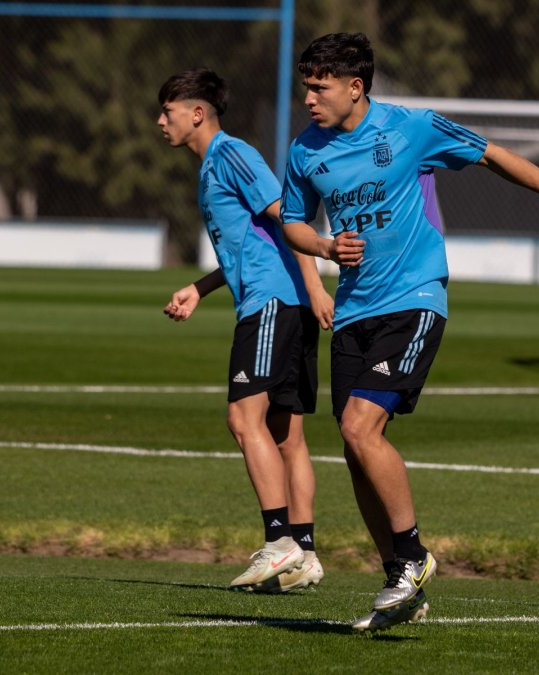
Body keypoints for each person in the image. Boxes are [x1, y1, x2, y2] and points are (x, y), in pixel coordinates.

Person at [278, 33, 539, 630]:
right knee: (354, 451)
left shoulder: (411, 128)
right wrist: (322, 246)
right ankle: (400, 579)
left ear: (356, 87)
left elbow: (492, 154)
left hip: (415, 298)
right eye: (306, 87)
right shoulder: (304, 150)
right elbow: (291, 220)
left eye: (319, 88)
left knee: (358, 426)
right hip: (353, 311)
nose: (309, 99)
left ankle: (415, 555)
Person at [157, 68, 334, 593]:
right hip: (284, 302)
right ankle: (304, 554)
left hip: (272, 303)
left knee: (242, 417)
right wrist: (201, 287)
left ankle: (279, 543)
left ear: (196, 113)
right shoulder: (212, 166)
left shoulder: (231, 155)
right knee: (286, 435)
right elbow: (251, 241)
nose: (159, 121)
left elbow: (289, 220)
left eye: (167, 112)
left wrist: (317, 283)